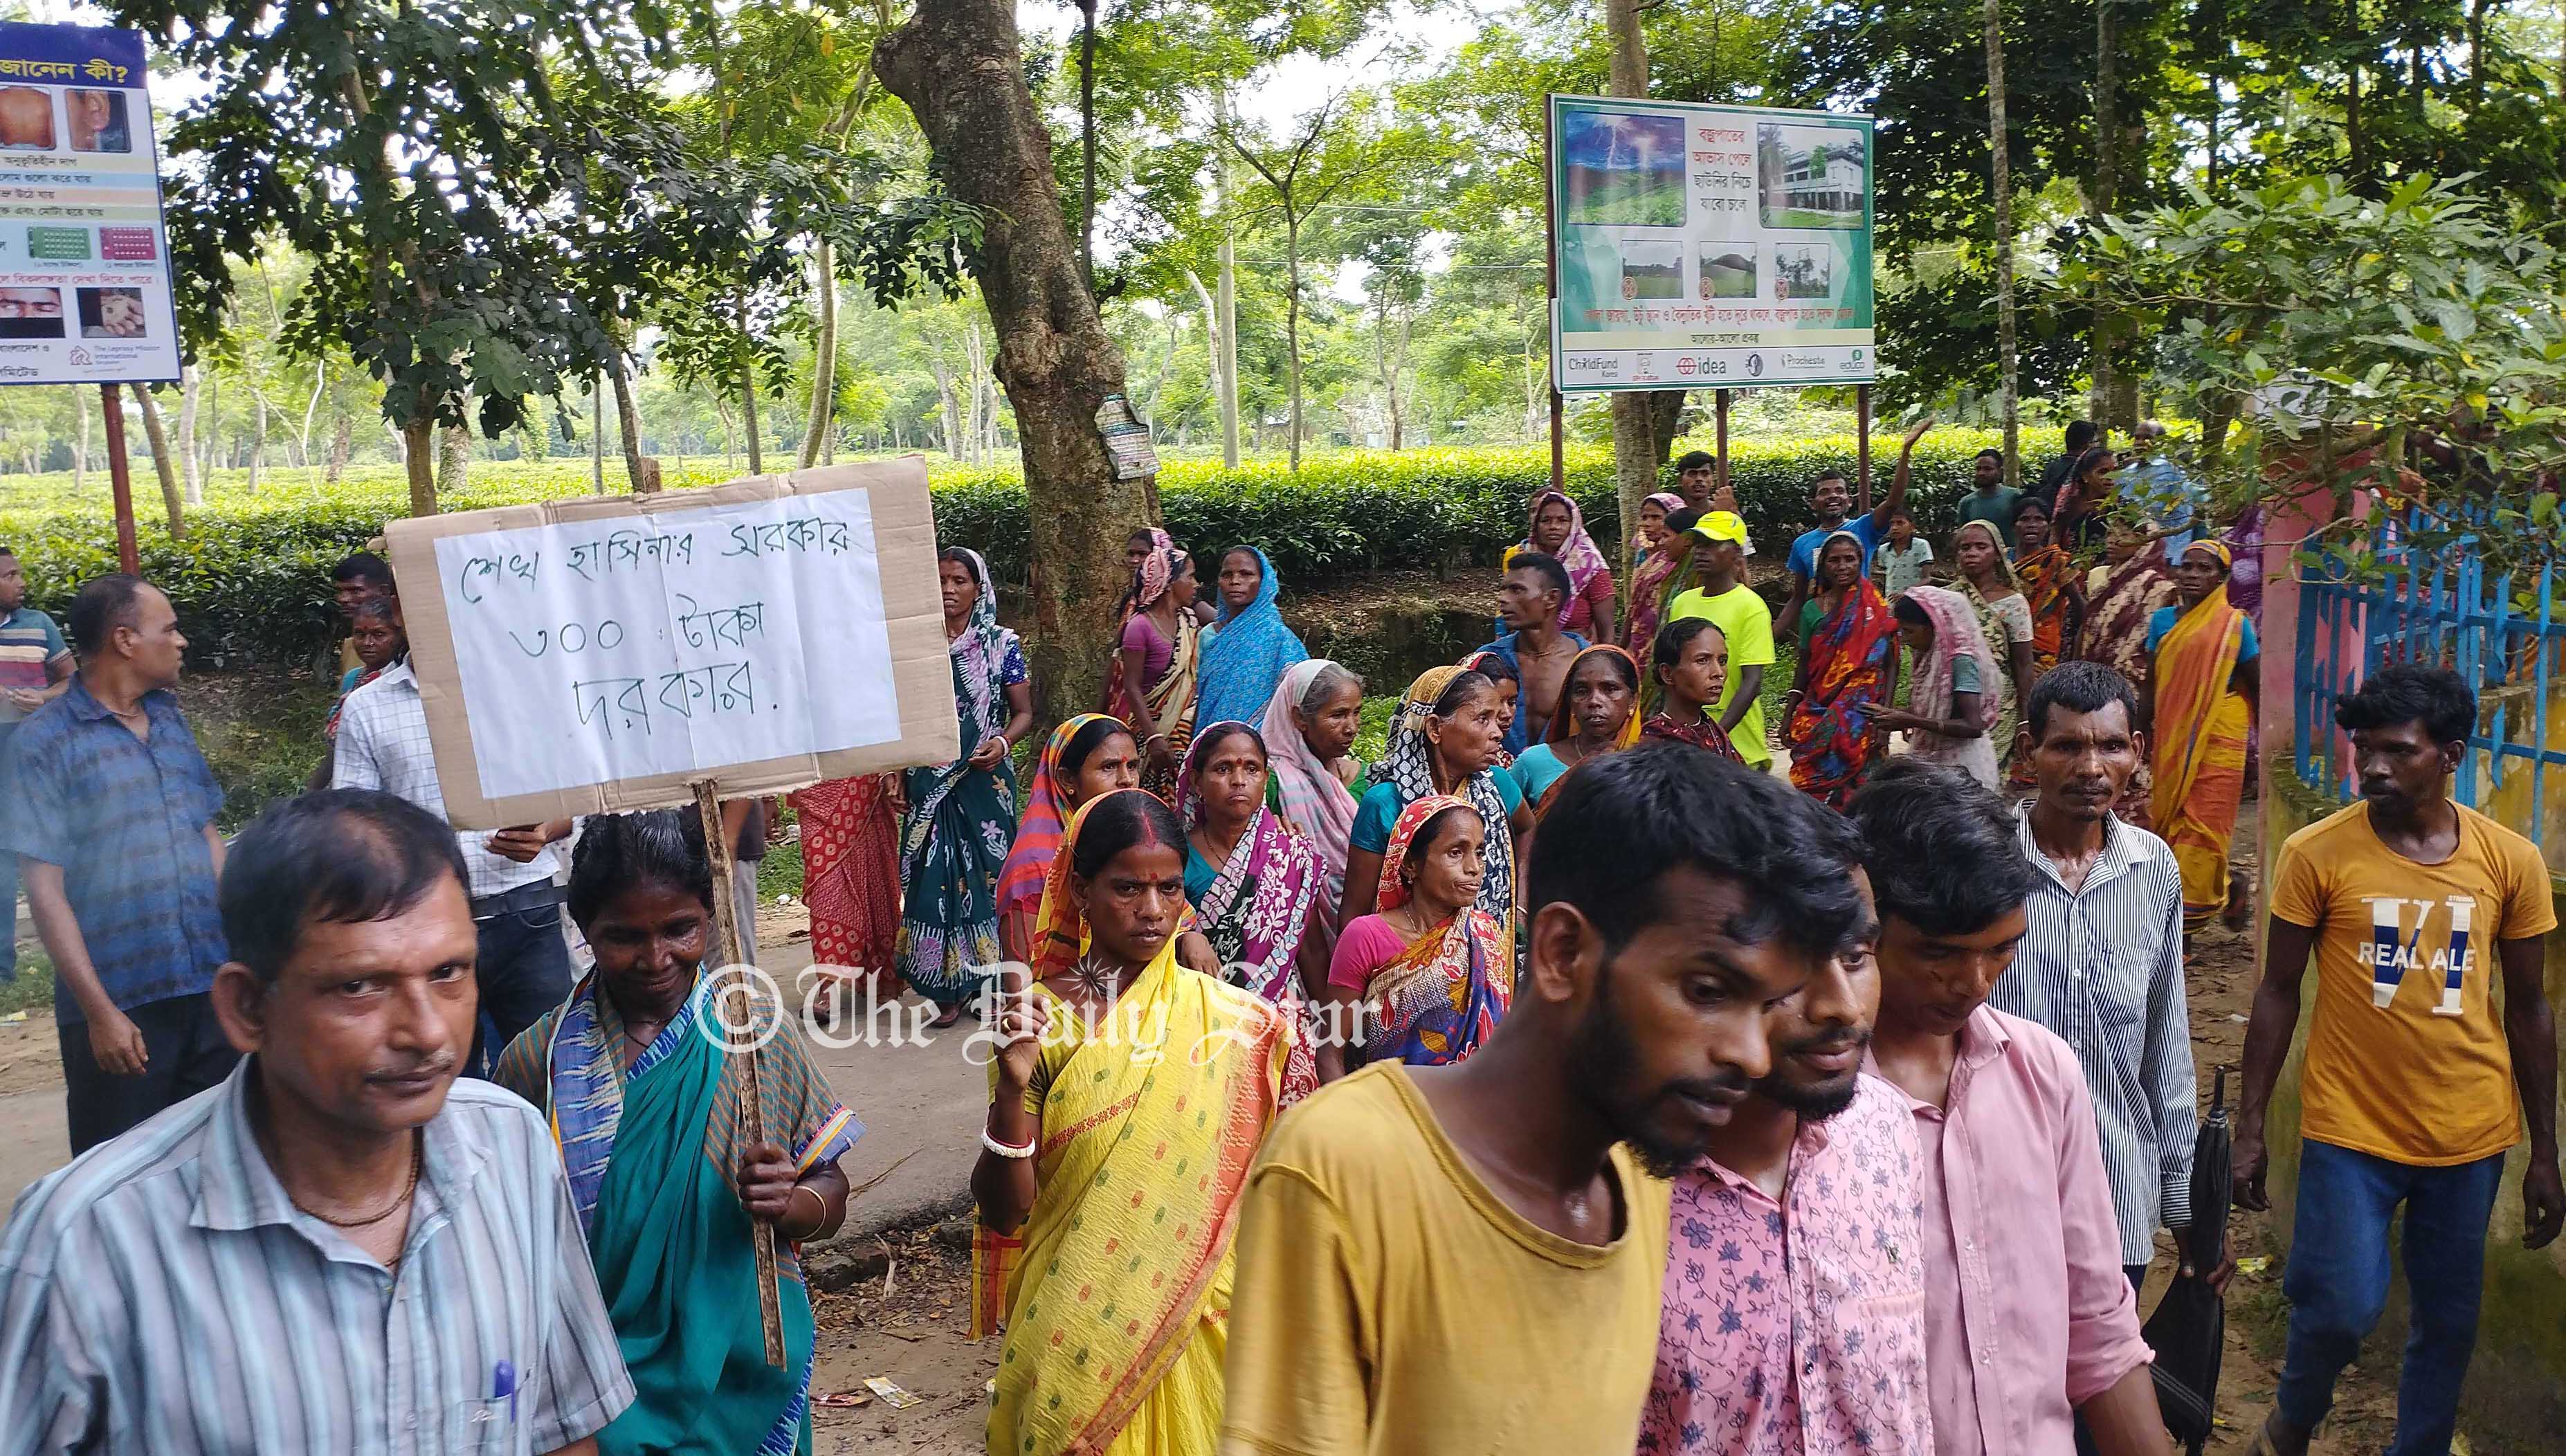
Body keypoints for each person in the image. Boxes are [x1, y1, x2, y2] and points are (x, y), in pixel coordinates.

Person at [1221, 745, 1873, 1455]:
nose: (1751, 1053)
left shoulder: (1638, 1175)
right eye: (1708, 992)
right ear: (1563, 953)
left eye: (1768, 1003)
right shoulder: (1346, 1171)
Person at [0, 790, 635, 1454]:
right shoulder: (84, 1244)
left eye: (449, 972)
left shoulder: (514, 1150)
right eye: (359, 986)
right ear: (247, 1008)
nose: (426, 1032)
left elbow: (562, 1427)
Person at [2232, 666, 2562, 1456]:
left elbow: (2528, 1008)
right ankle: (2293, 1419)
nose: (2373, 766)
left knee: (2448, 1324)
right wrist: (2250, 1125)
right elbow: (2277, 990)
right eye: (2364, 748)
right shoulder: (2317, 853)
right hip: (2351, 1129)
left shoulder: (2508, 861)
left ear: (2448, 754)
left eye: (2397, 751)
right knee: (2339, 1306)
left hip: (2471, 1133)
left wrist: (2545, 1150)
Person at [493, 811, 857, 1456]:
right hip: (593, 1390)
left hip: (738, 1367)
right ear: (584, 931)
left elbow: (829, 1184)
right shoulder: (537, 1062)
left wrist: (792, 1202)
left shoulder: (752, 1032)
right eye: (624, 937)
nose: (656, 959)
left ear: (709, 917)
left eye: (679, 930)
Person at [1849, 762, 2171, 1456]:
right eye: (1937, 954)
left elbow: (2098, 1322)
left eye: (2001, 951)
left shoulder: (2043, 1071)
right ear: (1864, 929)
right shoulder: (1811, 1109)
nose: (1971, 983)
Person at [974, 790, 1292, 1456]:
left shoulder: (1238, 1021)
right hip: (1080, 1325)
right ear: (1081, 892)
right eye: (1127, 888)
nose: (1152, 911)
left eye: (1169, 889)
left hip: (1204, 1314)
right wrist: (1009, 1089)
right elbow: (1008, 1212)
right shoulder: (1038, 1021)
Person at [1640, 858, 1933, 1456]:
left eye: (1856, 957)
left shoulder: (1887, 1129)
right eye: (1793, 966)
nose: (1843, 1007)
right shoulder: (1617, 1182)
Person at [7, 576, 237, 1154]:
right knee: (119, 1180)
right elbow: (45, 888)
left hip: (209, 987)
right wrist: (98, 1013)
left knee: (222, 1165)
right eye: (170, 629)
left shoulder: (169, 719)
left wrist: (243, 955)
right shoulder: (44, 744)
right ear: (126, 640)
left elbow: (206, 834)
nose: (181, 641)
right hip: (123, 1010)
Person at [1990, 662, 2198, 1291]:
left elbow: (2167, 1038)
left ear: (2136, 752)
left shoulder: (2152, 867)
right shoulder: (1985, 861)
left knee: (2105, 1375)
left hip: (2117, 1188)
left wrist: (2185, 1198)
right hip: (2000, 1187)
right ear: (2031, 752)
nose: (2090, 768)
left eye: (2110, 746)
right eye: (2067, 747)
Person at [334, 599, 575, 1077]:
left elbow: (569, 803)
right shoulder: (367, 709)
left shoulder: (522, 694)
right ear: (400, 610)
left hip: (525, 913)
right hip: (423, 930)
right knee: (443, 1078)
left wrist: (545, 829)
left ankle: (548, 1156)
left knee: (554, 1071)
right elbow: (354, 829)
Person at [895, 547, 1034, 1026]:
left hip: (983, 781)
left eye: (960, 580)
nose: (949, 589)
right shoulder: (917, 648)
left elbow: (1024, 714)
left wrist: (1001, 742)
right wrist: (895, 772)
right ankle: (946, 992)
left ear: (979, 588)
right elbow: (903, 719)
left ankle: (991, 987)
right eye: (941, 580)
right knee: (932, 880)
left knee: (989, 878)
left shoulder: (1001, 645)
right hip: (929, 782)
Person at [1176, 722, 1325, 1096]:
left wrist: (1332, 1031)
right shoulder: (1172, 854)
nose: (1239, 780)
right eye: (1223, 768)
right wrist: (1186, 935)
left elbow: (1309, 947)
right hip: (1194, 1017)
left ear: (1265, 778)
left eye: (1251, 768)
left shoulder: (1290, 856)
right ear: (1196, 782)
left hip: (1277, 1016)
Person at [1325, 796, 1513, 1069]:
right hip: (1381, 1104)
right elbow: (1331, 1052)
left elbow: (1500, 1045)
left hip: (1469, 1106)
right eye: (1456, 853)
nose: (1474, 868)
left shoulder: (1484, 935)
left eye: (1480, 852)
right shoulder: (1365, 936)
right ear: (1410, 865)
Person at [1341, 666, 1527, 936]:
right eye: (1482, 719)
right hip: (1405, 961)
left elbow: (1527, 829)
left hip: (1488, 961)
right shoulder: (1386, 804)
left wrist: (1520, 901)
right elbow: (1354, 913)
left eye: (1497, 720)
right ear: (1435, 729)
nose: (1498, 732)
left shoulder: (1497, 785)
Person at [2140, 540, 2259, 929]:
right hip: (2173, 729)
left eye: (2203, 568)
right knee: (2170, 820)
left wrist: (2256, 750)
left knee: (2203, 822)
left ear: (2222, 578)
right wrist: (2139, 731)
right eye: (2186, 567)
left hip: (2221, 730)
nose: (2192, 575)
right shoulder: (2162, 622)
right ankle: (2228, 885)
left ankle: (2184, 929)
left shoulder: (2235, 625)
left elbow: (2253, 684)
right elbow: (2152, 683)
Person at [994, 713, 1141, 963]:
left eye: (1133, 766)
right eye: (1109, 767)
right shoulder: (1034, 867)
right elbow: (1025, 984)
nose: (1127, 780)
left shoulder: (1138, 842)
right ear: (1068, 780)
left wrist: (1189, 937)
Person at [1774, 419, 1927, 640]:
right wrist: (1769, 641)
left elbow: (1893, 502)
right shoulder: (1802, 544)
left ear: (1849, 500)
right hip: (1823, 630)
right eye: (1825, 492)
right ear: (1812, 502)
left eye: (1840, 491)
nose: (1833, 495)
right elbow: (1798, 598)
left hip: (1862, 626)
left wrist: (1905, 452)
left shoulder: (1863, 528)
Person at [1784, 529, 1901, 808]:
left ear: (1860, 562)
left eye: (1849, 559)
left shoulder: (1876, 607)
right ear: (1823, 565)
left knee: (1862, 792)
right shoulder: (1812, 609)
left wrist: (1886, 715)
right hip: (1818, 706)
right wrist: (1789, 712)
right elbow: (1804, 663)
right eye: (1834, 560)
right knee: (1812, 791)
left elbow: (1891, 663)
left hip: (1864, 712)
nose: (1842, 567)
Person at [0, 544, 73, 985]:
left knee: (20, 849)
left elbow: (73, 680)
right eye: (9, 576)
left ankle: (4, 968)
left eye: (19, 574)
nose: (21, 581)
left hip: (27, 749)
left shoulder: (40, 625)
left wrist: (42, 698)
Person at [2076, 523, 2176, 826]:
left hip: (2134, 690)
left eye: (2126, 533)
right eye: (2109, 533)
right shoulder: (2104, 579)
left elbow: (2152, 649)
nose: (2114, 540)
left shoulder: (2159, 588)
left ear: (2148, 541)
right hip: (2094, 686)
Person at [1259, 661, 1365, 942]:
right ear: (1299, 718)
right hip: (1294, 936)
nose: (1351, 727)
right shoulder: (1271, 783)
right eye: (1338, 715)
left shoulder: (1362, 779)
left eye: (1357, 713)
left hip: (1360, 931)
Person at [1665, 511, 1775, 767]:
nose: (1702, 552)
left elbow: (1752, 681)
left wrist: (1714, 739)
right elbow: (1672, 673)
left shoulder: (1750, 606)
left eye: (1714, 545)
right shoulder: (1682, 603)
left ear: (1736, 553)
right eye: (1699, 544)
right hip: (1687, 746)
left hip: (1738, 750)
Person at [790, 771, 902, 1008]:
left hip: (867, 784)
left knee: (877, 884)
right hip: (814, 788)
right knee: (825, 888)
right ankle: (826, 989)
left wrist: (893, 771)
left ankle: (882, 979)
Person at [1875, 587, 2001, 789]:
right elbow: (1933, 711)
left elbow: (1974, 726)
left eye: (1909, 631)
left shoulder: (1961, 661)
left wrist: (1911, 720)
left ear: (1935, 625)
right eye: (1901, 631)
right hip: (1936, 765)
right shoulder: (1930, 658)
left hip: (1963, 769)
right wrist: (1892, 716)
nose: (1905, 639)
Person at [1109, 538, 1203, 796]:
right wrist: (1153, 737)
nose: (1196, 585)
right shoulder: (1140, 627)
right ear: (1171, 582)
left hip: (1185, 728)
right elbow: (1131, 686)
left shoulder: (1190, 622)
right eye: (1191, 577)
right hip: (1153, 728)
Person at [1475, 552, 1588, 756]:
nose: (1502, 598)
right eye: (1503, 590)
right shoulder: (1487, 660)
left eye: (1517, 590)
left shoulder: (1586, 663)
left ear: (1551, 598)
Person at [1511, 643, 1641, 810]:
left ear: (1633, 700)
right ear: (1570, 702)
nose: (1595, 701)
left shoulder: (1651, 768)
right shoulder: (1533, 762)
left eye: (1610, 689)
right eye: (1581, 691)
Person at [1192, 545, 1308, 731]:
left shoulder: (1278, 638)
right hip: (1211, 739)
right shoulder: (1210, 636)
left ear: (1264, 583)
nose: (1235, 581)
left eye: (1246, 574)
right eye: (1227, 575)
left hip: (1262, 745)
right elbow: (1202, 699)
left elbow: (1300, 695)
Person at [1949, 519, 2035, 765]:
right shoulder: (1947, 598)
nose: (1972, 554)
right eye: (1965, 548)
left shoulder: (2013, 604)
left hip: (1999, 707)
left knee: (1988, 777)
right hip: (1954, 704)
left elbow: (2023, 665)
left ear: (1997, 554)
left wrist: (2026, 719)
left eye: (1981, 547)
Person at [1511, 490, 1617, 640]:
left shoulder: (1591, 566)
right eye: (1546, 520)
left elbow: (1606, 627)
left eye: (1562, 520)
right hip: (1527, 650)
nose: (1554, 526)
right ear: (1536, 525)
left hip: (1576, 654)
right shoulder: (1526, 561)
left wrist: (1606, 656)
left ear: (1574, 525)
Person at [1644, 616, 1745, 761]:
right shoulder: (1654, 744)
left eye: (1722, 661)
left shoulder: (1712, 732)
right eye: (1702, 661)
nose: (1719, 673)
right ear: (1667, 673)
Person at [2011, 495, 2084, 678]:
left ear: (2048, 526)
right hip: (2005, 640)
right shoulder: (2002, 561)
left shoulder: (2056, 561)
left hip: (2043, 646)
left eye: (2039, 519)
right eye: (2024, 519)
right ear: (2015, 525)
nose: (2032, 524)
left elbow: (2080, 607)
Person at [1626, 502, 1698, 664]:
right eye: (1644, 517)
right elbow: (1635, 611)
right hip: (1642, 648)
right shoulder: (1653, 563)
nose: (1661, 542)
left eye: (1666, 536)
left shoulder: (1698, 577)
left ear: (1687, 539)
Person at [2120, 421, 2201, 555]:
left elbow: (2167, 505)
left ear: (2160, 443)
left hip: (2169, 546)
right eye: (2137, 438)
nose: (2140, 442)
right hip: (2136, 547)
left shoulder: (2172, 471)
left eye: (2147, 438)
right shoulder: (2127, 473)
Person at [328, 549, 397, 677]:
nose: (343, 599)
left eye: (355, 591)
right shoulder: (351, 645)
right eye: (339, 591)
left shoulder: (408, 645)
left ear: (384, 591)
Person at [2053, 444, 2121, 560]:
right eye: (2103, 472)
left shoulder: (2123, 507)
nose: (2111, 477)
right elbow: (2054, 545)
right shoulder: (2069, 507)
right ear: (2085, 476)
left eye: (2115, 471)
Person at [1956, 447, 2023, 547]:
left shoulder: (2015, 496)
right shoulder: (1967, 503)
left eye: (1988, 469)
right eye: (1978, 469)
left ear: (2000, 471)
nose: (1981, 473)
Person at [1875, 505, 1934, 597]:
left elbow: (1927, 579)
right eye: (1892, 523)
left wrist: (1906, 594)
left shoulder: (1921, 545)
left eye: (1900, 523)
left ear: (1912, 527)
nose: (1894, 528)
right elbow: (1885, 578)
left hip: (1916, 600)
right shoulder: (1884, 550)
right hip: (1891, 601)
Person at [2038, 419, 2101, 499]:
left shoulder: (2051, 467)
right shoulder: (2086, 472)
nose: (2098, 445)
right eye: (2096, 441)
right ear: (2087, 445)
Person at [1632, 489, 1685, 565]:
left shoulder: (1687, 557)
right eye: (1644, 518)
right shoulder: (1643, 554)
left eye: (1655, 517)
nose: (1646, 524)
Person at [1673, 448, 1719, 512]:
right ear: (1680, 480)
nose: (1699, 479)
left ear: (1713, 479)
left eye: (1705, 474)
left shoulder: (1723, 511)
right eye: (1692, 474)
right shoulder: (1671, 513)